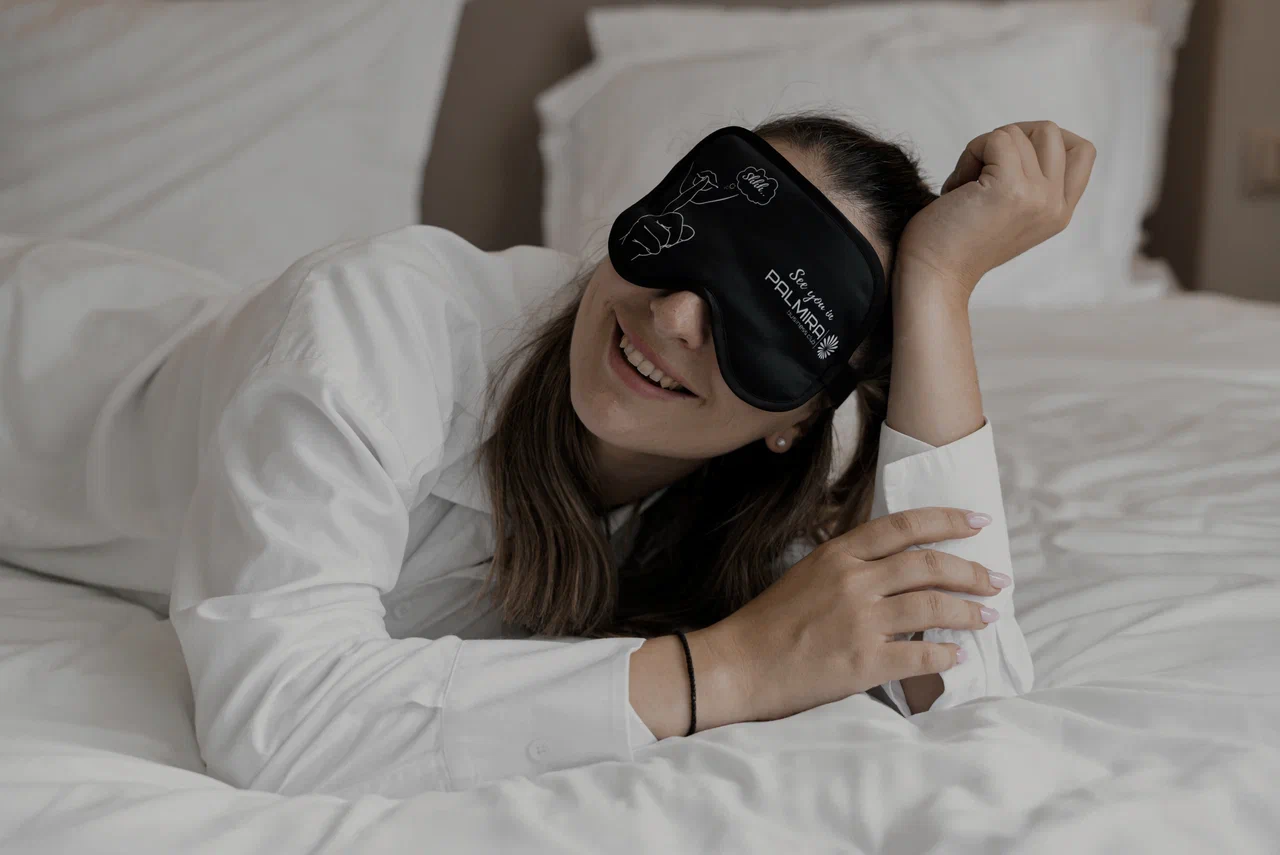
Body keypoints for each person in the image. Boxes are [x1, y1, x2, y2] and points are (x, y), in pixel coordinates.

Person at [0, 113, 1095, 798]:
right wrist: (728, 668)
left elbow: (966, 700)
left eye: (768, 320)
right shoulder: (371, 329)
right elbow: (278, 722)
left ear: (798, 418)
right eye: (693, 244)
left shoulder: (753, 502)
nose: (673, 317)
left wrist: (938, 290)